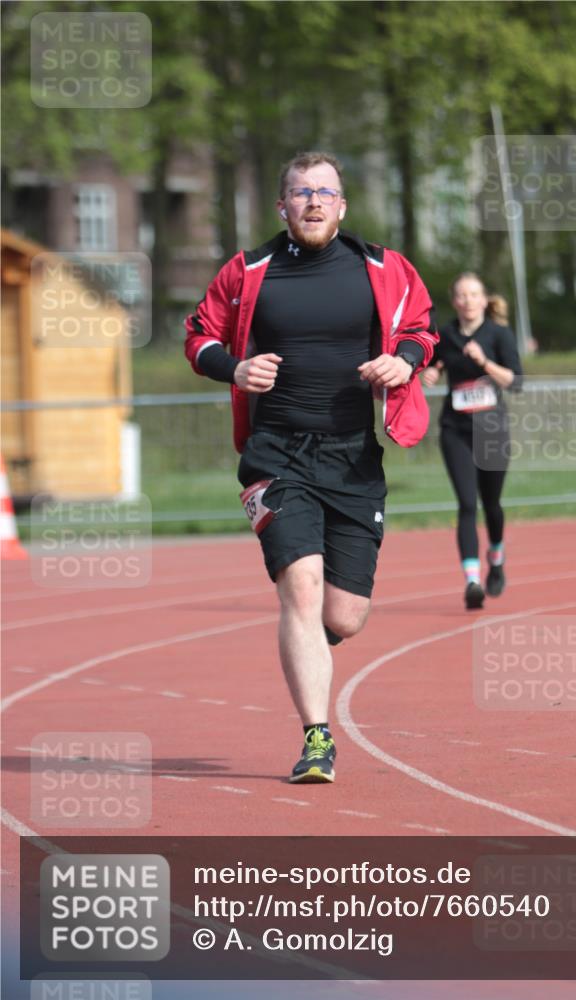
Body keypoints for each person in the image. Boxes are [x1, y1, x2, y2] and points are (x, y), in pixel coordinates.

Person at [184, 151, 438, 783]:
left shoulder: (382, 266)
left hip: (352, 457)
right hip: (275, 454)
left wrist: (404, 362)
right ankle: (317, 738)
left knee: (344, 616)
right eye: (302, 193)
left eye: (325, 192)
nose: (314, 201)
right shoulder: (249, 271)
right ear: (283, 206)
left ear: (342, 205)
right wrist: (235, 369)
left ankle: (309, 648)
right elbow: (198, 337)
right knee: (300, 588)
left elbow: (421, 327)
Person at [422, 273, 522, 610]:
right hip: (456, 430)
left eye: (474, 294)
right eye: (462, 295)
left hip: (492, 430)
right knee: (467, 504)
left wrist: (484, 362)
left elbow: (515, 381)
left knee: (491, 503)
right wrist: (431, 372)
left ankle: (496, 556)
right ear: (455, 301)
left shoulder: (499, 334)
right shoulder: (446, 335)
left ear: (484, 299)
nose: (468, 300)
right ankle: (472, 581)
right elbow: (433, 363)